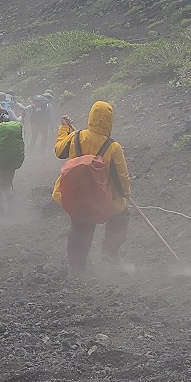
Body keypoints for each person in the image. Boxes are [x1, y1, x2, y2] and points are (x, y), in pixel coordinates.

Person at [53, 101, 131, 276]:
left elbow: (59, 151)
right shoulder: (113, 147)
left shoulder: (76, 136)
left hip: (77, 193)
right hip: (104, 196)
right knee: (120, 216)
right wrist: (126, 193)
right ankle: (110, 253)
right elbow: (121, 174)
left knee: (81, 225)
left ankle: (76, 266)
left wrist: (64, 129)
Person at [0, 108, 25, 216]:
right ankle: (12, 209)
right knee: (7, 185)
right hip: (12, 163)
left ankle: (0, 211)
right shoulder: (17, 128)